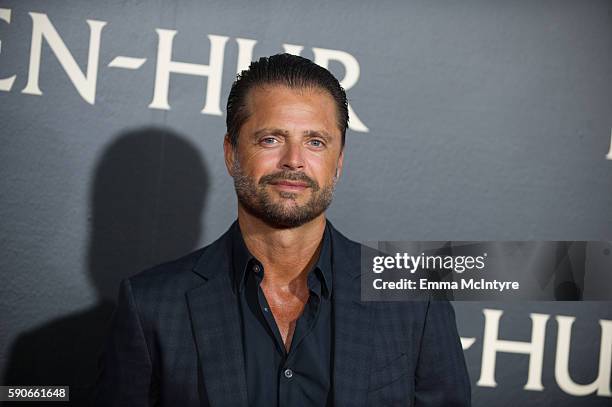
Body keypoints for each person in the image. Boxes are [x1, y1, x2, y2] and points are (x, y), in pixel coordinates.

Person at [95, 53, 471, 406]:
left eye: (315, 142)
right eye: (271, 139)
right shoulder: (153, 306)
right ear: (231, 153)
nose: (294, 161)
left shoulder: (415, 302)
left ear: (338, 161)